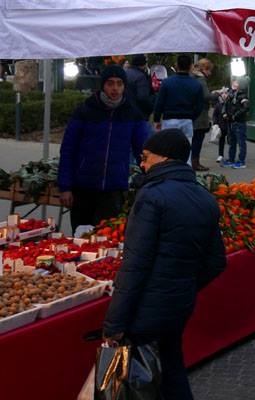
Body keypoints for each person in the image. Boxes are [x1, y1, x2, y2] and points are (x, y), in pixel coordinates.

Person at [102, 129, 226, 400]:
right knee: (172, 369)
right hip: (179, 304)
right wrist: (184, 283)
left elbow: (135, 265)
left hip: (147, 308)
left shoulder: (152, 196)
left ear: (165, 157)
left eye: (146, 157)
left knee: (145, 382)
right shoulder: (205, 197)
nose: (142, 164)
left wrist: (114, 323)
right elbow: (216, 261)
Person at [58, 65, 151, 228]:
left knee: (106, 237)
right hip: (83, 187)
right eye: (110, 83)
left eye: (119, 83)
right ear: (103, 85)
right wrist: (65, 187)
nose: (115, 88)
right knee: (81, 236)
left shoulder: (133, 114)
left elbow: (143, 152)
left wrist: (153, 177)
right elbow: (68, 150)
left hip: (113, 189)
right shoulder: (85, 111)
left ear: (124, 86)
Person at [152, 54, 205, 156]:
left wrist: (156, 119)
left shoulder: (167, 82)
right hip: (187, 120)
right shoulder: (196, 84)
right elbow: (199, 106)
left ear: (177, 65)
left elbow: (159, 102)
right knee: (186, 151)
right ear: (190, 66)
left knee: (168, 151)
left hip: (169, 120)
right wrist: (192, 117)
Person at [190, 58, 217, 172]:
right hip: (200, 114)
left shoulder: (191, 77)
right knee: (198, 139)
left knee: (191, 139)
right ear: (205, 69)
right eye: (209, 70)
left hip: (191, 111)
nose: (210, 73)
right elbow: (206, 96)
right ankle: (195, 163)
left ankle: (190, 161)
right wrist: (216, 94)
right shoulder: (201, 80)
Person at [224, 79, 250, 169]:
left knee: (241, 142)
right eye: (233, 82)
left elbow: (246, 107)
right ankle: (231, 159)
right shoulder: (231, 94)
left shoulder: (242, 95)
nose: (234, 84)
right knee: (232, 142)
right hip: (231, 122)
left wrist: (235, 115)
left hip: (239, 122)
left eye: (236, 82)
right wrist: (225, 113)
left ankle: (241, 161)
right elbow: (226, 105)